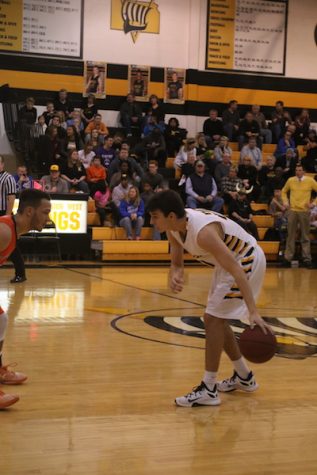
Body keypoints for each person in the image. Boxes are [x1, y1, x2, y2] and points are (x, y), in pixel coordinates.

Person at [147, 189, 272, 407]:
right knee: (214, 320)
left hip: (245, 259)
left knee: (213, 318)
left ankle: (209, 388)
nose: (151, 221)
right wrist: (175, 274)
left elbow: (236, 269)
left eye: (154, 216)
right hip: (227, 265)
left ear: (170, 216)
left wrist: (253, 311)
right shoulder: (174, 229)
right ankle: (244, 377)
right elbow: (177, 262)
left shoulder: (203, 233)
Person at [0, 189, 51, 408]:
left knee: (1, 320)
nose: (48, 218)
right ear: (29, 211)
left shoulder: (13, 231)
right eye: (45, 212)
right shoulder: (4, 231)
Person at [281, 164, 317, 268]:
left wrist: (313, 204)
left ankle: (307, 259)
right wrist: (285, 201)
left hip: (304, 211)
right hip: (292, 210)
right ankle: (287, 258)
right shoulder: (291, 180)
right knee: (290, 235)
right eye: (296, 170)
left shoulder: (310, 181)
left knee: (305, 236)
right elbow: (283, 191)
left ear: (304, 172)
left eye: (300, 170)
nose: (298, 172)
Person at [0, 156, 26, 284]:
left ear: (2, 164)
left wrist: (6, 217)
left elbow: (11, 199)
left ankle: (20, 274)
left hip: (4, 214)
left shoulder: (8, 178)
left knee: (12, 246)